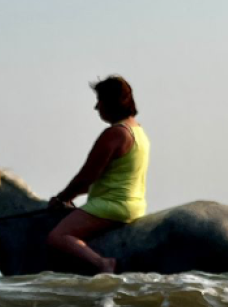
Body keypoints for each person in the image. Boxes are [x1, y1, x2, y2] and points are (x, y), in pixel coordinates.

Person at [47, 75, 150, 274]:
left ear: (110, 102)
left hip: (112, 206)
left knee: (57, 237)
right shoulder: (138, 131)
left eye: (99, 101)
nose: (96, 107)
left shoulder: (115, 134)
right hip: (135, 205)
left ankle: (102, 264)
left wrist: (62, 198)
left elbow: (87, 177)